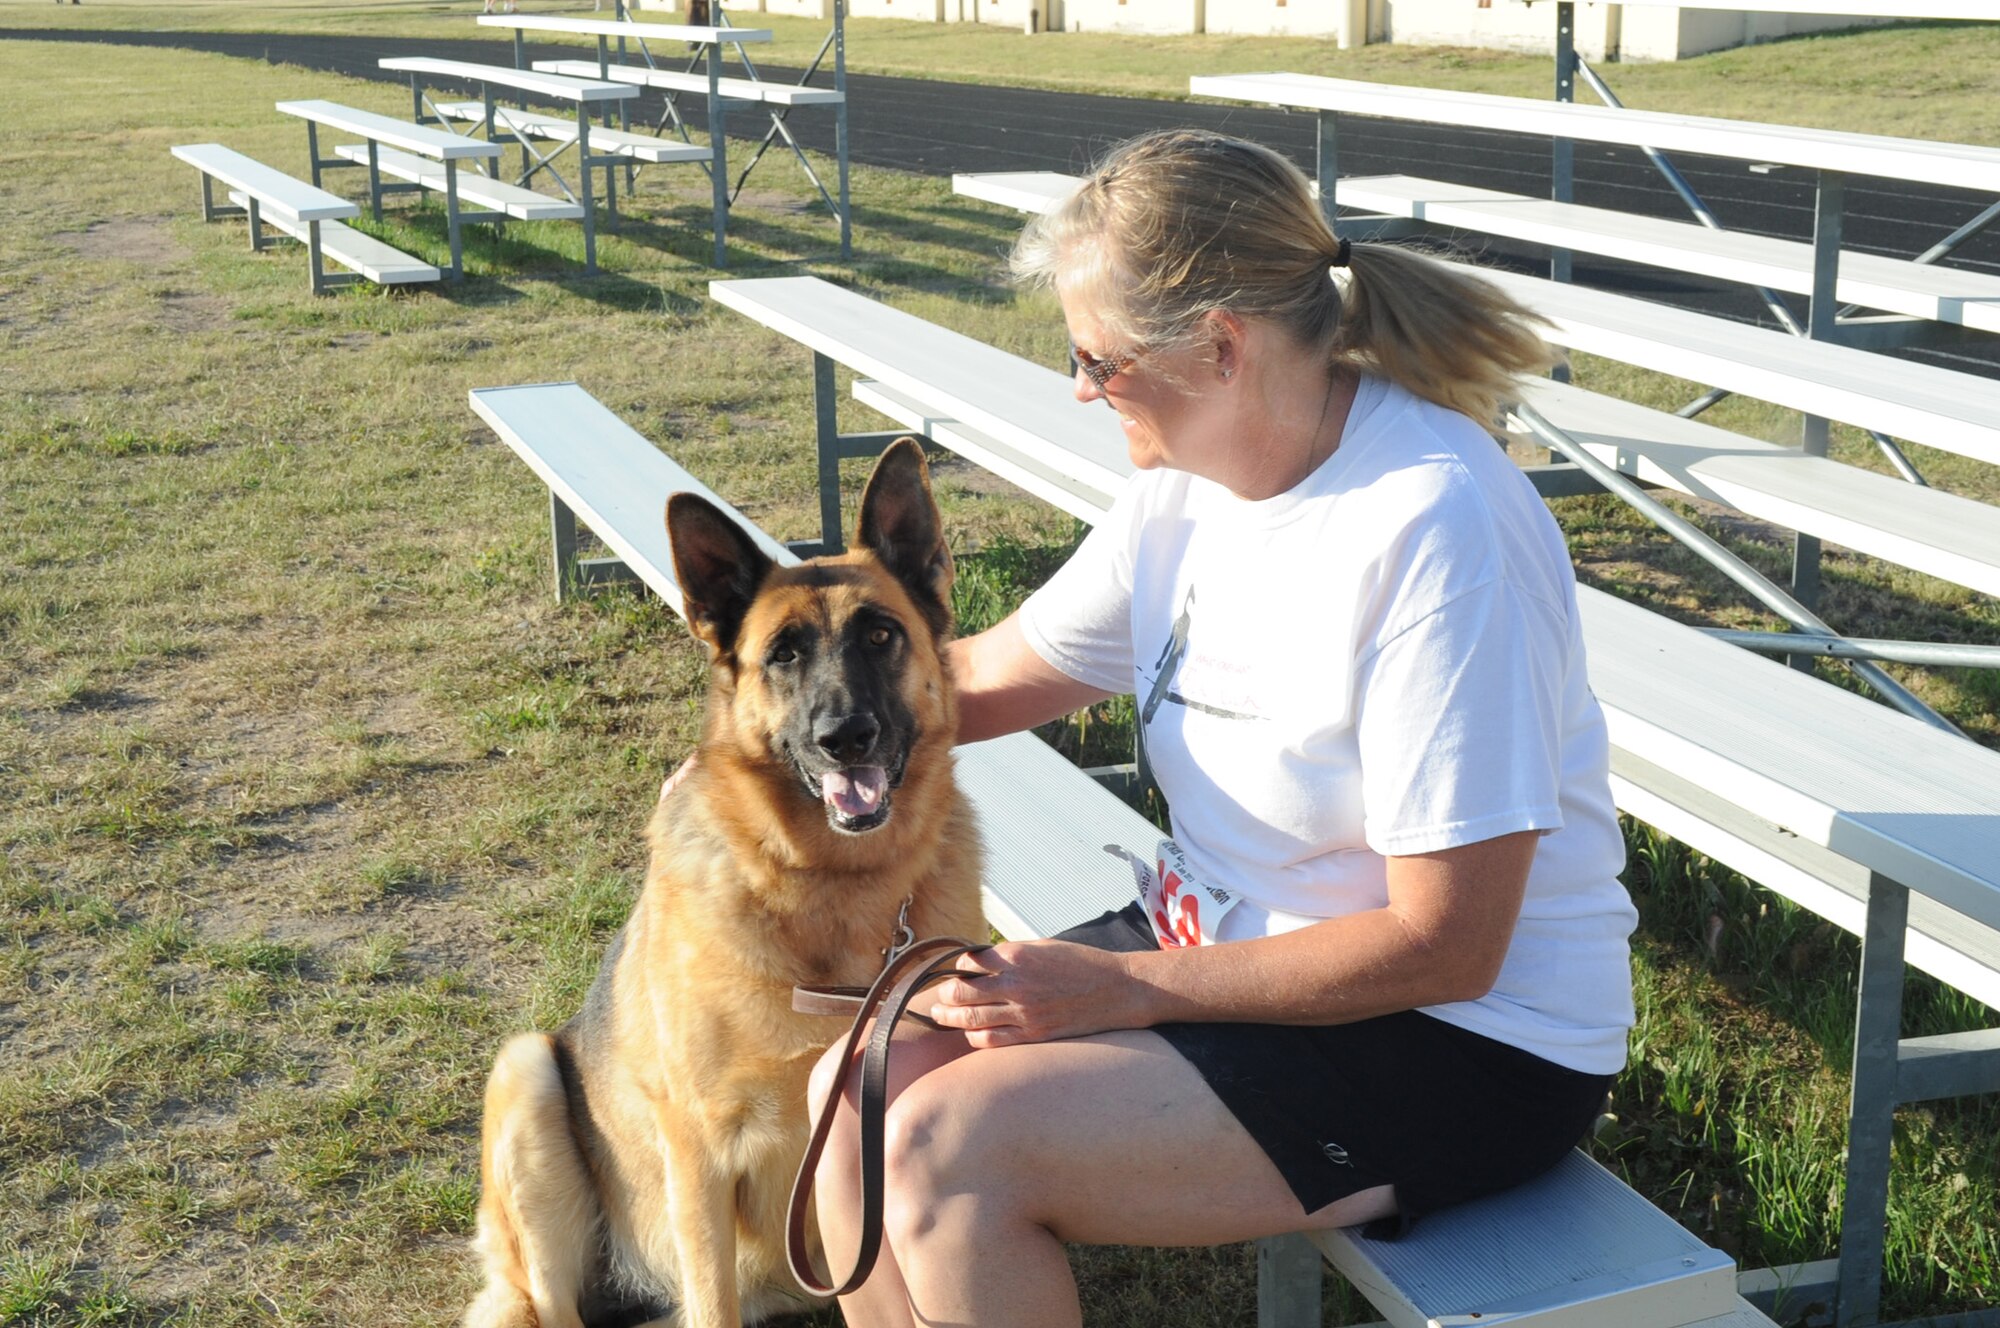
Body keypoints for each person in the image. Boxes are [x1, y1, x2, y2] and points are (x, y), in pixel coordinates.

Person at [799, 128, 1642, 1328]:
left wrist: (1125, 987)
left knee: (946, 1149)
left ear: (1219, 348)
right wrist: (773, 737)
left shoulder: (1434, 525)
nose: (1079, 388)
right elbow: (977, 678)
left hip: (1468, 1035)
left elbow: (1449, 943)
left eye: (1095, 359)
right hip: (1227, 945)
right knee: (856, 1088)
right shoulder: (1178, 490)